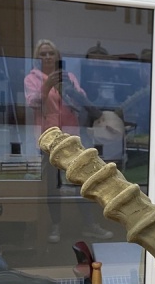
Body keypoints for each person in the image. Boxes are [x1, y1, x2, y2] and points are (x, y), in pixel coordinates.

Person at [24, 39, 113, 244]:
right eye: (43, 54)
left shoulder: (69, 76)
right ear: (37, 58)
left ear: (57, 56)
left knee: (81, 182)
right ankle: (56, 225)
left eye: (51, 53)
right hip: (48, 139)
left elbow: (82, 104)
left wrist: (70, 88)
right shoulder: (31, 79)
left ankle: (90, 225)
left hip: (72, 136)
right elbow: (32, 103)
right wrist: (46, 87)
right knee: (52, 186)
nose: (47, 57)